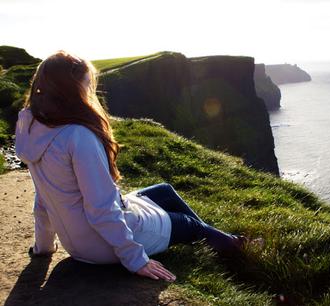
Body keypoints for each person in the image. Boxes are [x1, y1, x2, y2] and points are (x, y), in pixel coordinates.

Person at [14, 50, 263, 282]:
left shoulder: (33, 128)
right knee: (190, 225)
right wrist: (135, 259)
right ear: (71, 90)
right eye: (87, 86)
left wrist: (43, 247)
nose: (90, 92)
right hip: (104, 246)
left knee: (164, 191)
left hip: (77, 244)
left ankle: (217, 239)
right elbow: (100, 208)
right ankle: (233, 247)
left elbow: (43, 198)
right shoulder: (78, 136)